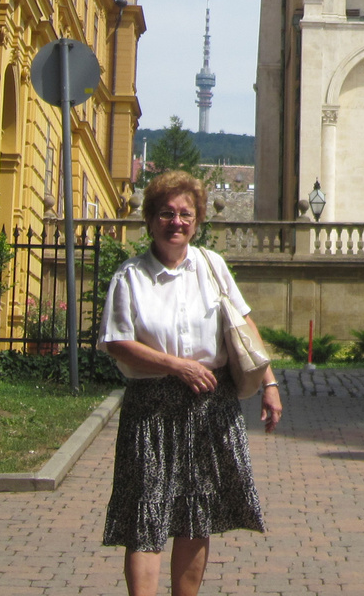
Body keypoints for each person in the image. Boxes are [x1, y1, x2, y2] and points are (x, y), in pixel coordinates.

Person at [101, 170, 282, 596]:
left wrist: (269, 382)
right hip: (152, 406)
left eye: (185, 214)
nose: (176, 222)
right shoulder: (130, 277)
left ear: (197, 220)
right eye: (166, 213)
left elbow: (243, 324)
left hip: (209, 405)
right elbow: (117, 343)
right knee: (147, 514)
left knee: (196, 513)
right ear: (150, 221)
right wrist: (175, 366)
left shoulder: (211, 265)